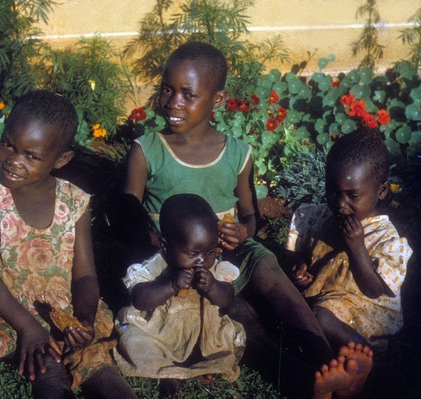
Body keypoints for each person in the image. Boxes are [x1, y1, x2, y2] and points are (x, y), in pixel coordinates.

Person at [121, 41, 334, 372]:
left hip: (229, 252)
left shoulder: (237, 153)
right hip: (173, 260)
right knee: (237, 317)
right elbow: (128, 215)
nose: (173, 102)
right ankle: (300, 374)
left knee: (269, 272)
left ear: (217, 100)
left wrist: (243, 232)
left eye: (187, 95)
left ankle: (323, 353)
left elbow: (251, 216)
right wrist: (158, 244)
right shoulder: (147, 150)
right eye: (167, 90)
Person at [0, 90, 137, 399]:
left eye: (31, 156)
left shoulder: (75, 201)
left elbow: (85, 275)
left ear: (61, 159)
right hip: (10, 308)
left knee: (99, 363)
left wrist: (83, 316)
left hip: (64, 306)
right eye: (8, 144)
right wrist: (28, 327)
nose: (13, 160)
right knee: (46, 364)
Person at [286, 127, 412, 397]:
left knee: (319, 316)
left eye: (352, 196)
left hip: (365, 318)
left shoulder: (385, 238)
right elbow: (298, 250)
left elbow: (374, 289)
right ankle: (345, 374)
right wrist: (299, 266)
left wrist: (357, 246)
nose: (340, 203)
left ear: (380, 191)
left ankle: (365, 360)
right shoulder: (318, 217)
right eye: (333, 191)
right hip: (325, 301)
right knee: (309, 315)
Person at [113, 193, 246, 398]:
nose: (202, 260)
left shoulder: (215, 269)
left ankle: (204, 364)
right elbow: (139, 299)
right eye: (193, 254)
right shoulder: (156, 265)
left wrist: (212, 287)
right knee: (136, 341)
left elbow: (227, 298)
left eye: (210, 252)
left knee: (221, 346)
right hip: (160, 332)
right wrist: (171, 285)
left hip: (202, 332)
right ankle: (171, 374)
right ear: (166, 245)